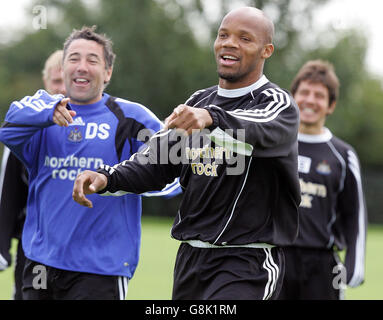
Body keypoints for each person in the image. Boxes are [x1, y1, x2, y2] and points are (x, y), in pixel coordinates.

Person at [72, 7, 301, 300]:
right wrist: (106, 178)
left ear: (266, 50)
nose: (229, 43)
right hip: (191, 262)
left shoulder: (276, 104)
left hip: (248, 263)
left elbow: (259, 129)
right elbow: (154, 162)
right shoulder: (198, 102)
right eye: (223, 35)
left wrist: (211, 118)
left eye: (245, 38)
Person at [0, 26, 180, 300]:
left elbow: (173, 172)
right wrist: (48, 111)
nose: (81, 67)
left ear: (107, 72)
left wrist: (120, 182)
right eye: (73, 58)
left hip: (100, 271)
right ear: (63, 68)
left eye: (92, 60)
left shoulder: (130, 117)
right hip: (40, 264)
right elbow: (9, 127)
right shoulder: (41, 115)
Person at [277, 60, 367, 300]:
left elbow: (355, 215)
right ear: (293, 96)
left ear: (331, 105)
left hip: (323, 265)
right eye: (304, 92)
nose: (310, 100)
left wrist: (355, 264)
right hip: (275, 258)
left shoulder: (342, 155)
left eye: (319, 95)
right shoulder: (273, 145)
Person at [0, 50, 66, 300]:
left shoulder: (100, 128)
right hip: (34, 246)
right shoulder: (24, 131)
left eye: (65, 81)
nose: (61, 89)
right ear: (45, 82)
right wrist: (2, 246)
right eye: (56, 81)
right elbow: (8, 193)